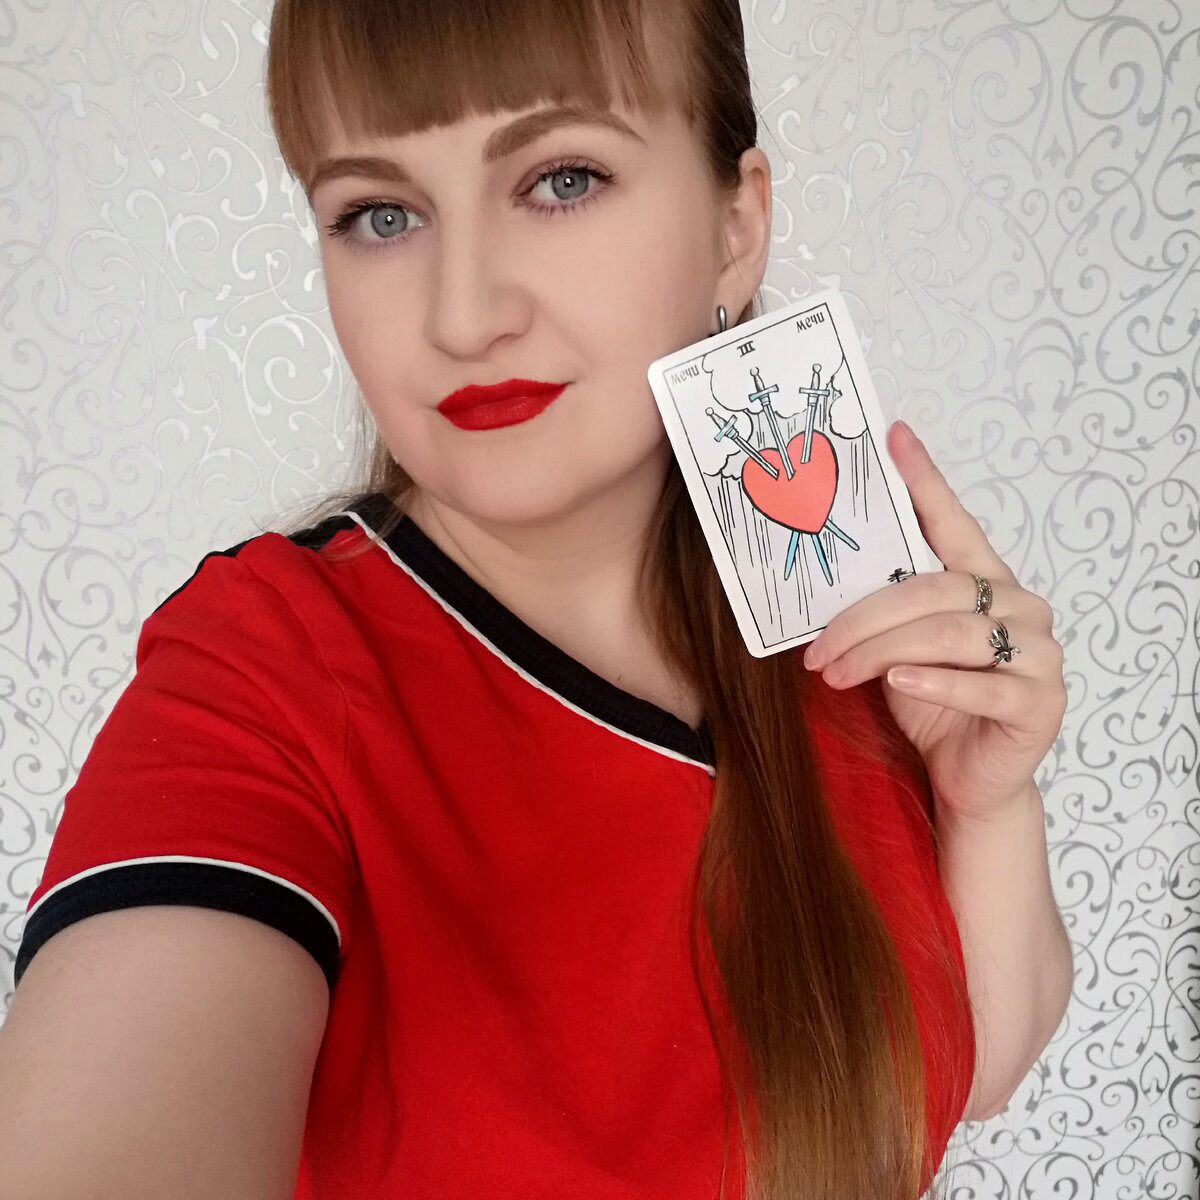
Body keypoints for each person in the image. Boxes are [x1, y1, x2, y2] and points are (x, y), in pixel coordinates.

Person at [0, 1, 1073, 1198]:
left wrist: (987, 804)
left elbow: (971, 1065)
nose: (463, 316)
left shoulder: (846, 611)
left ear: (736, 229)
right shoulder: (262, 671)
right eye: (380, 214)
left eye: (562, 180)